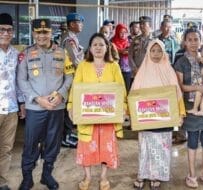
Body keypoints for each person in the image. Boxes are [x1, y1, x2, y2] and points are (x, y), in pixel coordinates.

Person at [17, 18, 74, 190]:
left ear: (51, 33)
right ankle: (27, 177)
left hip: (56, 107)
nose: (42, 36)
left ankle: (46, 174)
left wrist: (61, 95)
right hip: (35, 108)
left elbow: (70, 76)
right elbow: (21, 80)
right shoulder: (26, 54)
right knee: (31, 143)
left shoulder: (62, 53)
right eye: (38, 32)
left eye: (45, 32)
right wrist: (37, 98)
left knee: (53, 142)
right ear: (33, 33)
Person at [67, 33, 127, 190]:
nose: (99, 47)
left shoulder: (114, 66)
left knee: (106, 147)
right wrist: (71, 106)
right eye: (95, 45)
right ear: (90, 48)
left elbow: (121, 90)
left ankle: (103, 177)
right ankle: (87, 177)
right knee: (86, 147)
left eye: (102, 44)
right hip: (88, 117)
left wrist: (123, 108)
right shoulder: (83, 66)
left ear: (107, 47)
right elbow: (75, 89)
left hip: (108, 117)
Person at [131, 39, 185, 190]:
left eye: (159, 50)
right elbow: (134, 93)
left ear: (164, 52)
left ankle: (156, 175)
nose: (156, 54)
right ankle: (142, 174)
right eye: (153, 50)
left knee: (161, 147)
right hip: (145, 118)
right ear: (148, 52)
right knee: (145, 147)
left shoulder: (168, 70)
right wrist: (131, 113)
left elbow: (177, 93)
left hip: (164, 118)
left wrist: (180, 114)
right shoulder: (143, 71)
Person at [174, 28, 203, 189]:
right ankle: (192, 175)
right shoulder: (180, 62)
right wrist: (198, 88)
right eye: (190, 39)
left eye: (196, 39)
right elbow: (181, 87)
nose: (194, 43)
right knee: (192, 142)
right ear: (185, 42)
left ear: (201, 41)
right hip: (191, 107)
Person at [0, 13, 25, 190]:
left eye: (9, 30)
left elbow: (18, 82)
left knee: (6, 148)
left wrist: (22, 104)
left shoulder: (16, 54)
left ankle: (1, 181)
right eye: (2, 29)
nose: (6, 33)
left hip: (10, 109)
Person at [61, 12, 84, 148]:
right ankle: (66, 136)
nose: (81, 25)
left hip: (70, 76)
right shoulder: (69, 39)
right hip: (68, 77)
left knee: (70, 105)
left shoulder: (72, 37)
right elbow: (75, 60)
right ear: (71, 24)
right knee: (68, 106)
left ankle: (68, 133)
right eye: (79, 22)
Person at [112, 23, 131, 92]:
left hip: (127, 70)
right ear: (117, 32)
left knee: (127, 89)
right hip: (116, 69)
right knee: (117, 89)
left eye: (125, 32)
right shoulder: (112, 42)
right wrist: (120, 51)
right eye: (121, 32)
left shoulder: (129, 42)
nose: (123, 34)